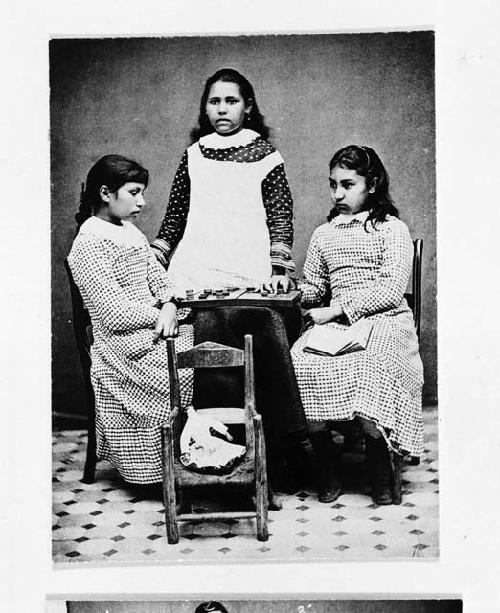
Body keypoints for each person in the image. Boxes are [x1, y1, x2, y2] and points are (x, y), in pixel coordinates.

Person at [151, 68, 308, 493]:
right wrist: (155, 259)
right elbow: (176, 214)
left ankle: (289, 447)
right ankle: (225, 453)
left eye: (231, 101)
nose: (222, 109)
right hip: (200, 269)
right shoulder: (194, 154)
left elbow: (280, 215)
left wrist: (278, 270)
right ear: (205, 108)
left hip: (249, 268)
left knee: (267, 326)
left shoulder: (265, 155)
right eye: (214, 102)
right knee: (213, 331)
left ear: (248, 106)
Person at [291, 145, 424, 505]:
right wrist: (290, 288)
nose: (337, 194)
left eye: (347, 184)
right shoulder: (324, 234)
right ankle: (326, 464)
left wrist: (336, 311)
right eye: (333, 184)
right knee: (299, 362)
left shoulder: (391, 229)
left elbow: (392, 290)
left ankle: (379, 463)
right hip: (336, 323)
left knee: (369, 361)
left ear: (373, 184)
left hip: (385, 319)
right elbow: (315, 288)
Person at [67, 155, 194, 485]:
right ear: (107, 193)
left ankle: (208, 458)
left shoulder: (131, 233)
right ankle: (176, 463)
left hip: (155, 329)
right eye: (134, 192)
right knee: (203, 360)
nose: (142, 201)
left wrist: (168, 306)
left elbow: (162, 281)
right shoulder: (89, 243)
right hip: (123, 348)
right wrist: (160, 314)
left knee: (218, 342)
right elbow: (113, 312)